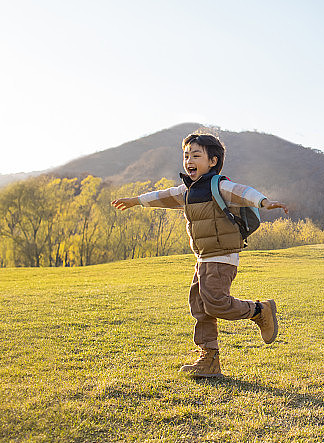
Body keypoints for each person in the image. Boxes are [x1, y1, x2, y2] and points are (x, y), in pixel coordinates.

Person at [111, 133, 288, 378]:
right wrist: (135, 201)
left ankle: (260, 310)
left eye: (196, 155)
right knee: (200, 306)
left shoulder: (220, 185)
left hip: (222, 256)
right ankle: (209, 359)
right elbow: (162, 195)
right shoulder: (187, 191)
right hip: (203, 257)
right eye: (186, 156)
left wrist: (264, 202)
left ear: (212, 161)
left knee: (215, 302)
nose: (189, 160)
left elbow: (243, 191)